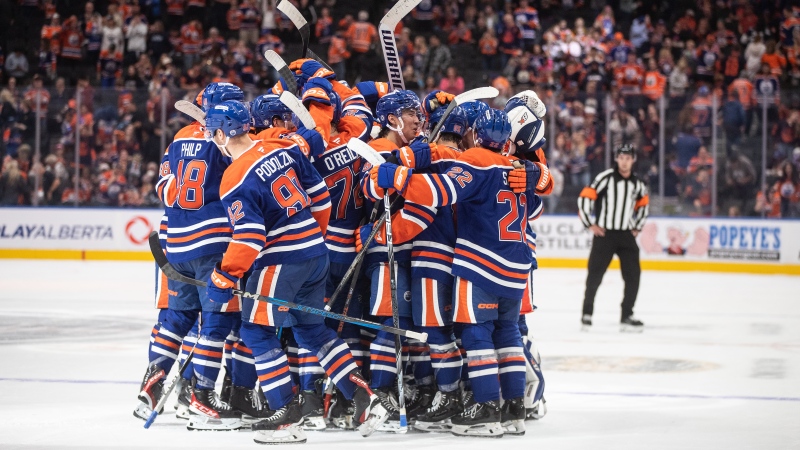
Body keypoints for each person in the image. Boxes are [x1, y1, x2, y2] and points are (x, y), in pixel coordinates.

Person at [203, 99, 388, 444]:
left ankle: (286, 414)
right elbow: (320, 195)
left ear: (222, 133)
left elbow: (249, 236)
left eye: (213, 135)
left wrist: (224, 276)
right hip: (315, 253)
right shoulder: (281, 148)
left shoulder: (233, 177)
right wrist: (311, 238)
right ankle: (364, 398)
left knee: (256, 330)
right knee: (311, 331)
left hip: (281, 262)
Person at [361, 108, 550, 437]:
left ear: (476, 135)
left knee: (476, 335)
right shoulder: (517, 165)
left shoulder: (477, 159)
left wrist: (397, 177)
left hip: (482, 263)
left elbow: (438, 193)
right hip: (518, 265)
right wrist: (541, 175)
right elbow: (536, 205)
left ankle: (487, 408)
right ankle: (514, 408)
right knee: (507, 335)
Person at [135, 83, 246, 431]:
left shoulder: (181, 136)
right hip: (212, 242)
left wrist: (187, 204)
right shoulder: (225, 136)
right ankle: (201, 397)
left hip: (176, 243)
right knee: (217, 319)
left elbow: (163, 188)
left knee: (178, 317)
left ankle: (152, 385)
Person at [577, 144, 649, 332]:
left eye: (628, 158)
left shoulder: (637, 183)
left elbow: (644, 204)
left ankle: (627, 314)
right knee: (595, 275)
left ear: (633, 160)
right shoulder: (605, 178)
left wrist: (638, 226)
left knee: (633, 276)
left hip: (626, 235)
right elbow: (585, 197)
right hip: (605, 235)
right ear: (617, 159)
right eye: (621, 157)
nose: (625, 161)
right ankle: (587, 313)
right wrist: (589, 223)